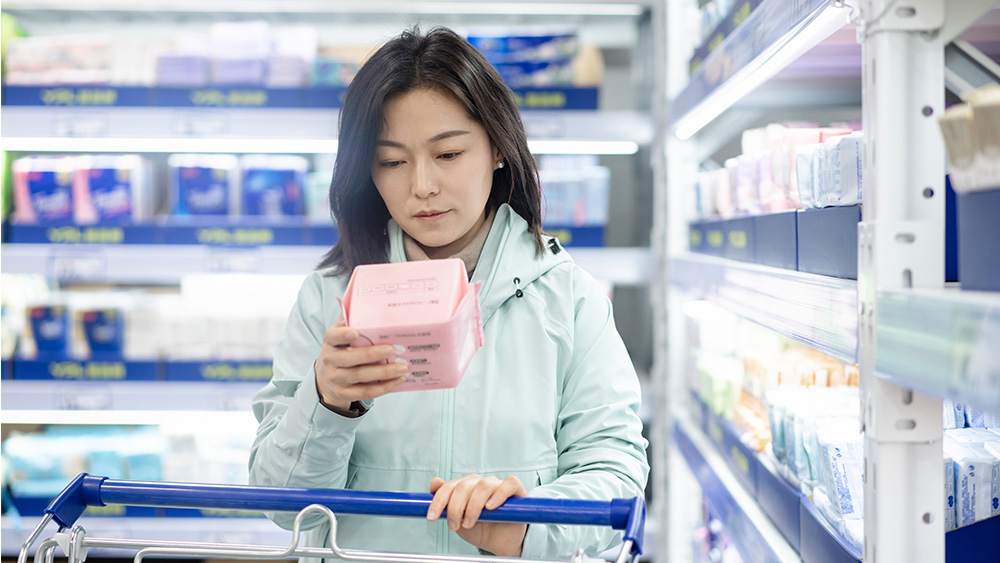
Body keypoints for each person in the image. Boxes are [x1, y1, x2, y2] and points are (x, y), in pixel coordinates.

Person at [248, 26, 648, 561]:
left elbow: (615, 467)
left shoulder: (568, 296)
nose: (422, 186)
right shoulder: (331, 296)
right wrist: (325, 402)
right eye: (391, 161)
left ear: (499, 148)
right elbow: (280, 503)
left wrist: (530, 526)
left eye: (449, 153)